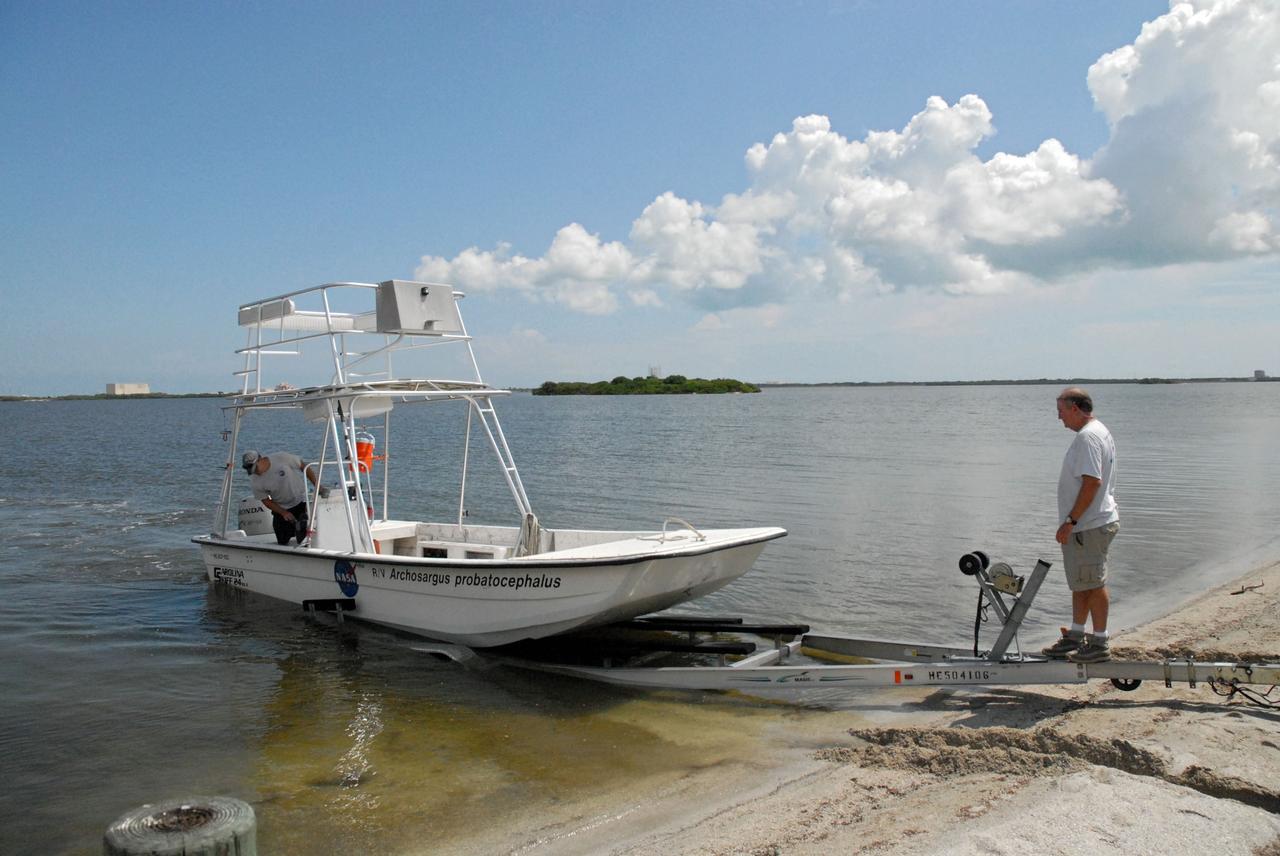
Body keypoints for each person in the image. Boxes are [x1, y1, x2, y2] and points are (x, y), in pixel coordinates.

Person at [1041, 388, 1120, 664]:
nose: (1059, 418)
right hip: (1088, 524)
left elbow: (1092, 482)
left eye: (1061, 411)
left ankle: (1099, 642)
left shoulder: (1088, 437)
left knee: (1094, 583)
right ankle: (1075, 635)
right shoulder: (1098, 432)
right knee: (1081, 582)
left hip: (1089, 524)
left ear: (1075, 408)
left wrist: (1071, 521)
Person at [242, 450, 327, 546]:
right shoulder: (254, 481)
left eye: (255, 468)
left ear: (261, 460)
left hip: (301, 500)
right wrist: (283, 512)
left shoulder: (281, 458)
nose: (255, 472)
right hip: (282, 507)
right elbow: (266, 501)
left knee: (304, 527)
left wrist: (318, 486)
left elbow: (304, 467)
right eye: (251, 471)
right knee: (282, 539)